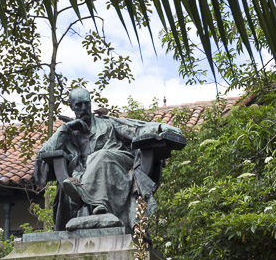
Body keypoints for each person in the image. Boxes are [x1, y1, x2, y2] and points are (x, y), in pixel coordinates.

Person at [34, 87, 185, 232]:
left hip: (117, 162)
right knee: (93, 161)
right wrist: (65, 129)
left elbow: (137, 128)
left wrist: (163, 128)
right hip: (83, 173)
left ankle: (80, 195)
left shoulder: (107, 123)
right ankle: (98, 206)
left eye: (87, 103)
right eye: (78, 105)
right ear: (71, 107)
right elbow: (42, 156)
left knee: (101, 155)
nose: (84, 108)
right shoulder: (68, 133)